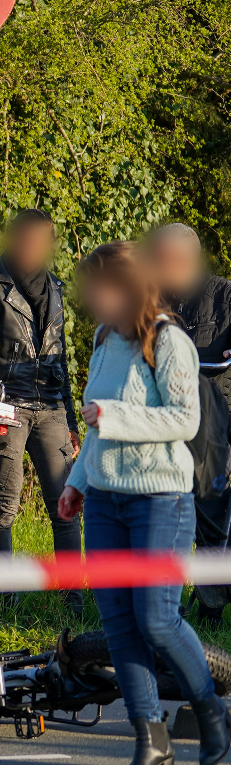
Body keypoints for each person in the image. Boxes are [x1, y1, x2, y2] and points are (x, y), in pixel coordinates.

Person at [56, 241, 227, 765]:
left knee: (156, 618)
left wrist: (115, 415)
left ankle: (210, 709)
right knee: (120, 624)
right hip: (105, 502)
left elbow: (184, 420)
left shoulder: (169, 340)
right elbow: (93, 425)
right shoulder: (103, 340)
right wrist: (77, 483)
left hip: (160, 500)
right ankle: (150, 741)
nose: (93, 299)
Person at [0, 210, 82, 557]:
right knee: (3, 509)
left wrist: (71, 421)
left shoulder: (54, 286)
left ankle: (72, 591)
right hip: (6, 406)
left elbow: (59, 358)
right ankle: (4, 587)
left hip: (51, 407)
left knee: (66, 509)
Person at [146, 222, 231, 623]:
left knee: (213, 515)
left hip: (215, 426)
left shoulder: (224, 294)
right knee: (166, 515)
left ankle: (211, 608)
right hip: (167, 426)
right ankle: (166, 602)